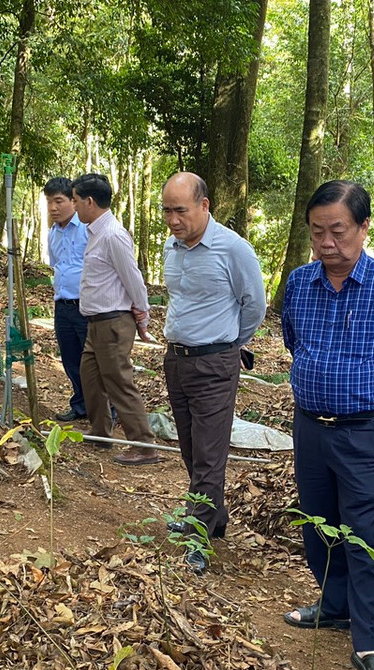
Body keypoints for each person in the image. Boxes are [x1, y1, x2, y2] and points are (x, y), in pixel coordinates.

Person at [281, 180, 374, 670]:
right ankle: (333, 603)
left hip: (364, 430)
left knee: (365, 530)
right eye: (317, 231)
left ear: (363, 228)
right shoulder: (299, 283)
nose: (327, 242)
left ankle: (370, 640)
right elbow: (292, 339)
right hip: (309, 425)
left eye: (338, 231)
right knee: (318, 519)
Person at [160, 173, 266, 574]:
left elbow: (253, 304)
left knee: (209, 453)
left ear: (204, 206)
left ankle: (199, 536)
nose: (172, 219)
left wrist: (227, 344)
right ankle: (212, 516)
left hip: (216, 362)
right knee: (188, 446)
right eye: (167, 210)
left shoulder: (233, 249)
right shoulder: (173, 247)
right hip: (177, 359)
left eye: (180, 210)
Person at [72, 172, 160, 466]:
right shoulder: (95, 233)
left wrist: (142, 316)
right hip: (96, 323)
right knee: (90, 376)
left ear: (89, 201)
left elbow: (133, 278)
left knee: (119, 382)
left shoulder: (113, 235)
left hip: (113, 322)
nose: (73, 205)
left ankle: (144, 445)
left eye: (75, 200)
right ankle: (101, 433)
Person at [43, 177, 89, 422]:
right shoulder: (53, 233)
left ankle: (105, 410)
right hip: (62, 306)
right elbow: (56, 265)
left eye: (58, 201)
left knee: (92, 361)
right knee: (70, 359)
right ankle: (80, 405)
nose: (53, 207)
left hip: (86, 306)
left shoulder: (87, 228)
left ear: (73, 201)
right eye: (49, 202)